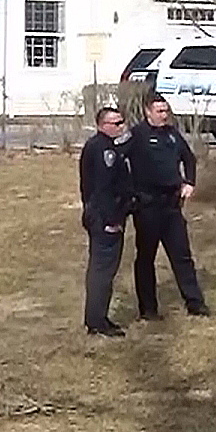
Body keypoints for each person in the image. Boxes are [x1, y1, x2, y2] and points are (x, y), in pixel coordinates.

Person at [125, 93, 210, 318]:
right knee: (146, 258)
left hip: (172, 205)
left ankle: (195, 303)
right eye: (159, 111)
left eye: (166, 110)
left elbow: (189, 159)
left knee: (182, 256)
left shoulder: (172, 135)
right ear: (147, 112)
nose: (164, 115)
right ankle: (148, 309)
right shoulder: (136, 136)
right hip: (147, 206)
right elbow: (118, 162)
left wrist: (189, 182)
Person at [79, 106, 133, 337]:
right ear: (103, 125)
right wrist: (112, 219)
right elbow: (103, 189)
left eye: (122, 122)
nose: (121, 127)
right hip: (104, 217)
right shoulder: (103, 150)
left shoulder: (107, 146)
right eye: (116, 123)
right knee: (102, 269)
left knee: (104, 269)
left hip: (101, 214)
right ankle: (96, 321)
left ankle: (97, 317)